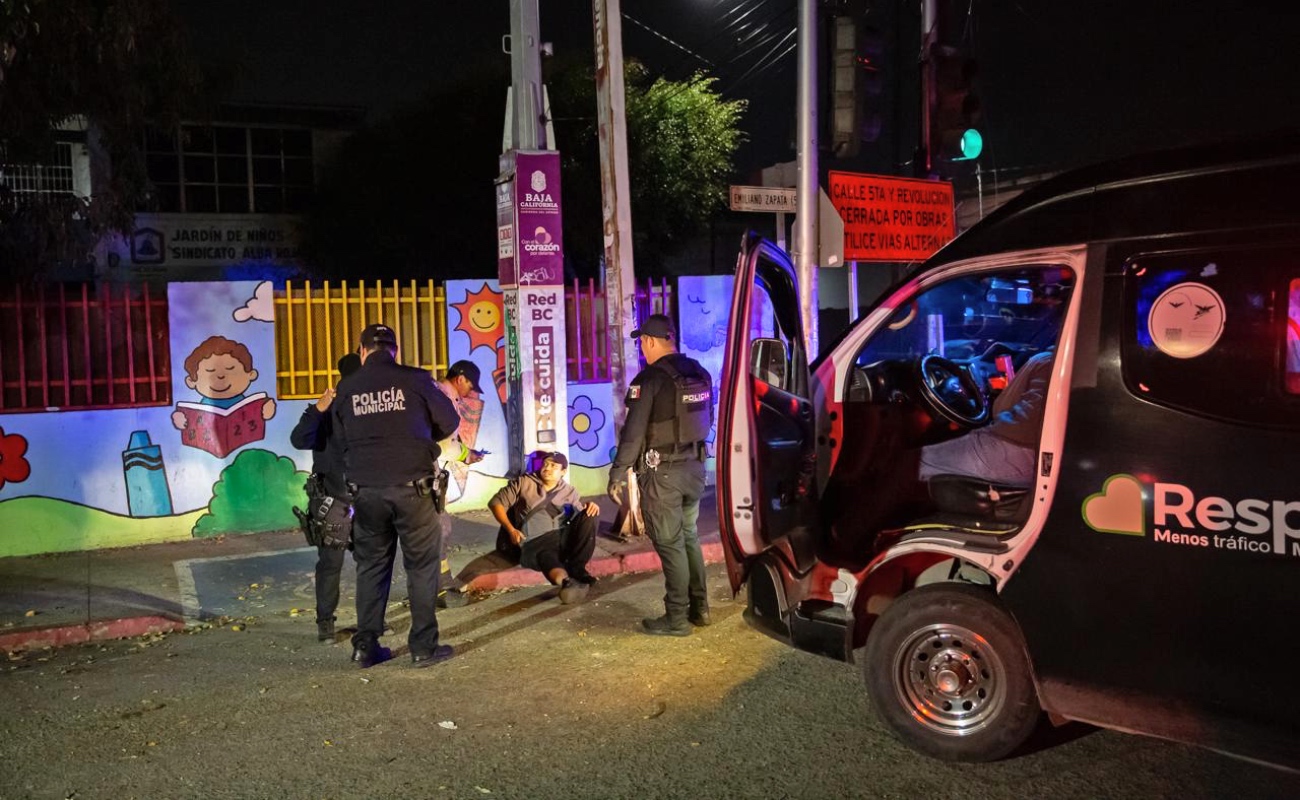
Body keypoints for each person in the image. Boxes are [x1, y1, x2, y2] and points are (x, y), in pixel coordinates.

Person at [332, 323, 462, 669]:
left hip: (366, 493)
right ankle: (422, 648)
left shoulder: (347, 387)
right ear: (395, 351)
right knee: (421, 568)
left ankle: (365, 647)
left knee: (371, 568)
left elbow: (340, 436)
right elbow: (449, 422)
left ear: (362, 351)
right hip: (413, 490)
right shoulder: (416, 379)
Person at [607, 314, 714, 637]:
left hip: (663, 475)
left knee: (670, 544)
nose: (642, 349)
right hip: (695, 468)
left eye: (642, 343)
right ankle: (700, 608)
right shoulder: (700, 372)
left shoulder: (649, 380)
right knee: (689, 537)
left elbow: (634, 432)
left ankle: (677, 618)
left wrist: (617, 472)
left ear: (651, 342)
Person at [289, 352, 362, 642]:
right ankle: (327, 623)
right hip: (334, 499)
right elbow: (299, 439)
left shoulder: (367, 407)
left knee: (364, 562)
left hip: (360, 497)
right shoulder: (330, 408)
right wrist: (318, 409)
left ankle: (361, 624)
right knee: (337, 563)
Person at [918, 350, 1055, 486]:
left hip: (1015, 445)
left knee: (912, 465)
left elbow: (1030, 421)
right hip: (1028, 450)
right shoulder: (1056, 363)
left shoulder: (1052, 363)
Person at [489, 451, 600, 603]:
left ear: (563, 471)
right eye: (545, 464)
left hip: (562, 537)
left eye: (553, 466)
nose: (547, 468)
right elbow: (496, 503)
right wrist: (511, 529)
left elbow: (577, 516)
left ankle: (577, 568)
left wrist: (589, 507)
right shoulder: (524, 483)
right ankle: (566, 583)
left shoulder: (569, 491)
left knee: (590, 514)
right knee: (548, 558)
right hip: (536, 540)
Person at [433, 360, 487, 608]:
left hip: (420, 472)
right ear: (460, 378)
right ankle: (440, 588)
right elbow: (444, 446)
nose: (471, 392)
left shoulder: (437, 393)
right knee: (438, 528)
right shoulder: (443, 397)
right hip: (424, 475)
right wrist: (467, 455)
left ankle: (441, 583)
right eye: (471, 386)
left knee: (437, 528)